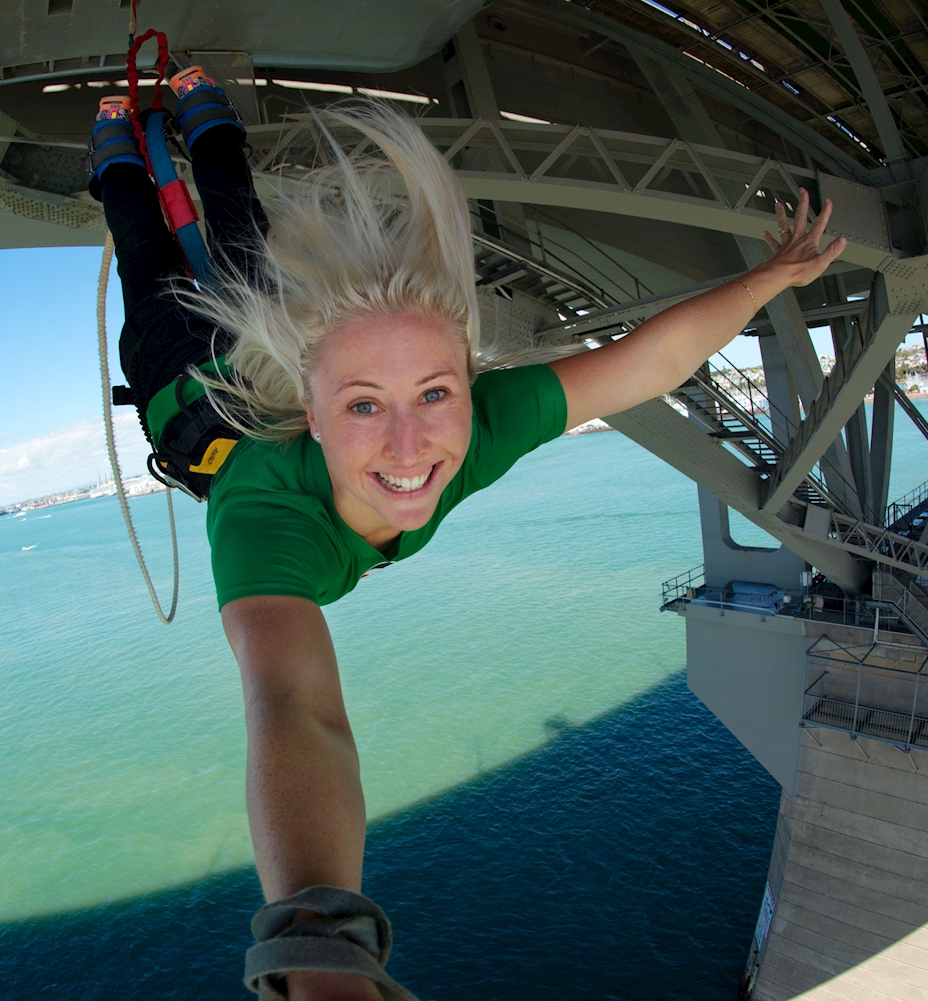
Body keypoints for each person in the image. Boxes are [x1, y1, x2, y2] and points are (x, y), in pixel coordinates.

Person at [88, 79, 846, 1001]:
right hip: (181, 372)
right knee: (147, 247)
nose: (410, 447)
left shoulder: (486, 422)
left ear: (467, 385)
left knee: (242, 235)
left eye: (434, 393)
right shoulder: (260, 516)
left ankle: (199, 112)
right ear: (311, 415)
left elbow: (649, 363)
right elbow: (294, 707)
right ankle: (118, 140)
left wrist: (772, 276)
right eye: (363, 406)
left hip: (259, 359)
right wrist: (322, 952)